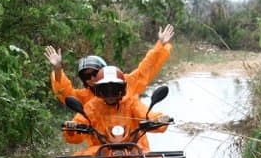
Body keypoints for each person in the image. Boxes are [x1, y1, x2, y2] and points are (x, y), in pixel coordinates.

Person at [43, 24, 174, 105]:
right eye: (86, 76)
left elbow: (146, 68)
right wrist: (58, 69)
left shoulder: (127, 83)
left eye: (94, 73)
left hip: (131, 141)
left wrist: (160, 44)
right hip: (100, 144)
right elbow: (65, 94)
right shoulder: (84, 97)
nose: (91, 79)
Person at [62, 66, 171, 156]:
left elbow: (146, 114)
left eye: (115, 90)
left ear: (122, 90)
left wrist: (158, 119)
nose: (110, 95)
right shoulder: (92, 107)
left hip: (134, 149)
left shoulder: (130, 102)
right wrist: (72, 128)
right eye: (105, 90)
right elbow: (79, 126)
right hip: (100, 151)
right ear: (98, 91)